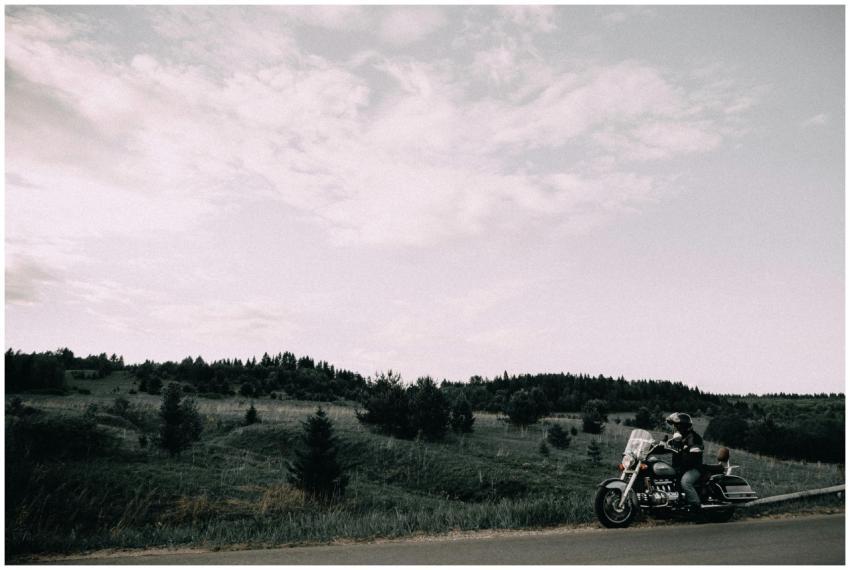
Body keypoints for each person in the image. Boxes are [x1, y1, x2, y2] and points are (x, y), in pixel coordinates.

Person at [665, 412, 704, 515]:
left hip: (693, 469)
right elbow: (668, 447)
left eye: (676, 426)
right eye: (674, 426)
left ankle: (696, 508)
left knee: (685, 482)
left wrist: (681, 447)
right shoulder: (678, 438)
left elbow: (692, 458)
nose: (674, 428)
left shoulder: (694, 438)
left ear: (682, 426)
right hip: (680, 468)